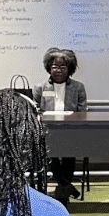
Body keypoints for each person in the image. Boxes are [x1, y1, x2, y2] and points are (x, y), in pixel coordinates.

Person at [33, 47, 88, 204]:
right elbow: (35, 109)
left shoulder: (78, 87)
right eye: (54, 66)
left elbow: (82, 111)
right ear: (49, 68)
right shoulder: (40, 88)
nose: (58, 70)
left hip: (71, 131)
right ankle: (66, 187)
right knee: (49, 152)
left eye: (62, 67)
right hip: (47, 131)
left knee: (69, 152)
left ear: (69, 68)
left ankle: (63, 187)